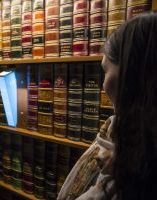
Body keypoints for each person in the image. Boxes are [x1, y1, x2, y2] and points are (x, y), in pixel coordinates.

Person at [58, 12, 157, 200]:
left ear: (130, 74)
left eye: (105, 70)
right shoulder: (126, 142)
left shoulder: (130, 172)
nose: (104, 85)